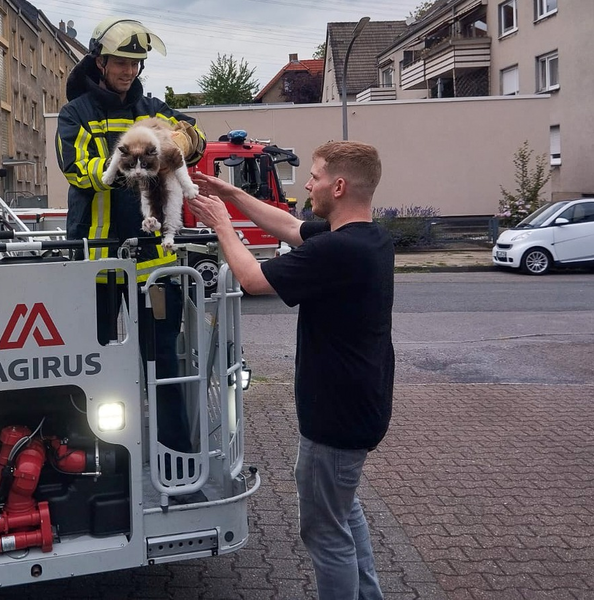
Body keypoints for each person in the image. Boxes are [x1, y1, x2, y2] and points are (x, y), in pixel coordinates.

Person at [188, 141, 394, 599]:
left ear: (338, 186)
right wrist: (231, 193)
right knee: (343, 512)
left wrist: (222, 226)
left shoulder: (340, 252)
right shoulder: (367, 238)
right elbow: (290, 226)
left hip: (335, 420)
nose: (308, 183)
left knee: (324, 532)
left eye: (316, 176)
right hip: (359, 409)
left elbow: (254, 280)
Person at [55, 18, 206, 458]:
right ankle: (89, 461)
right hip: (96, 259)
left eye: (136, 63)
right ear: (100, 61)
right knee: (91, 365)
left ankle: (174, 459)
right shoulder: (75, 113)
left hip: (154, 261)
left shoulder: (153, 108)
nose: (129, 71)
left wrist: (180, 136)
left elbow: (194, 138)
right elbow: (79, 171)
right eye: (121, 62)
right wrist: (145, 153)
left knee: (163, 364)